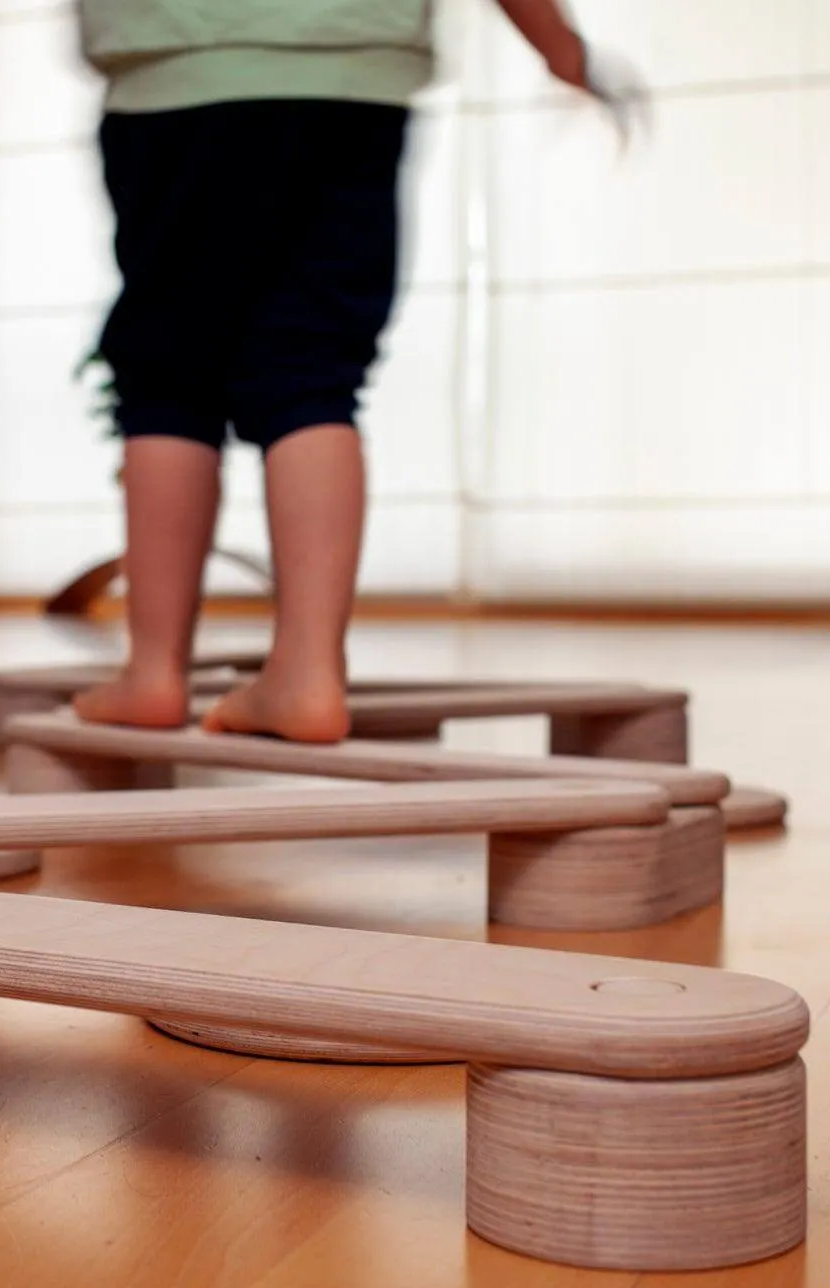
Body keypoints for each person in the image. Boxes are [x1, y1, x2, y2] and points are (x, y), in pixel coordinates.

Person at [71, 0, 647, 742]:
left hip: (178, 69)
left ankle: (153, 671)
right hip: (350, 72)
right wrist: (559, 45)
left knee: (169, 374)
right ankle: (308, 672)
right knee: (312, 368)